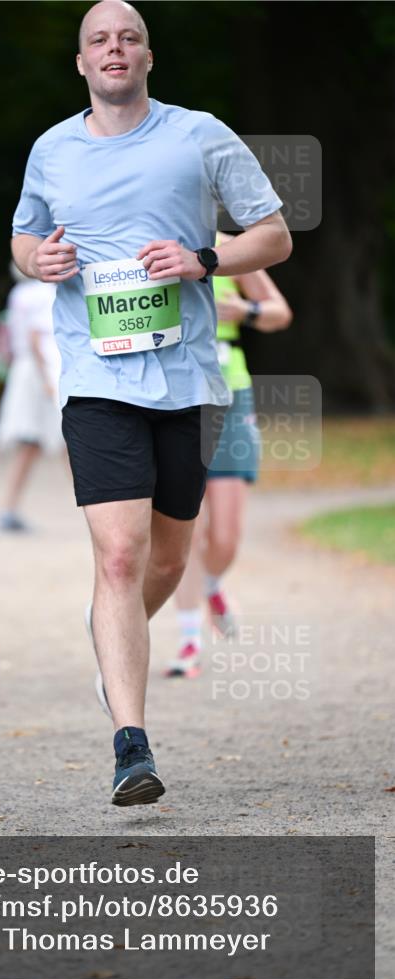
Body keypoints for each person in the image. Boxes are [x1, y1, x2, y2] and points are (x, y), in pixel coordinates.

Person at [11, 0, 292, 806]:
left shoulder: (198, 134)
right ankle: (130, 745)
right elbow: (24, 238)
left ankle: (113, 636)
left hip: (189, 381)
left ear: (146, 56)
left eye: (128, 37)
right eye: (98, 39)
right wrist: (38, 260)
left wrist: (203, 258)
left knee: (167, 561)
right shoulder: (51, 149)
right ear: (81, 62)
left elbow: (273, 236)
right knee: (119, 556)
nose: (113, 48)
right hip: (97, 382)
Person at [169, 241, 293, 677]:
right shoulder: (150, 240)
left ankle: (211, 584)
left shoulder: (228, 248)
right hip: (175, 394)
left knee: (225, 535)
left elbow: (279, 311)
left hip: (231, 394)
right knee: (187, 529)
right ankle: (189, 639)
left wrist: (246, 311)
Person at [0, 266, 64, 532]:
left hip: (24, 369)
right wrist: (48, 380)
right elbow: (37, 337)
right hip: (43, 370)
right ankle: (95, 507)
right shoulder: (47, 292)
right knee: (67, 441)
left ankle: (8, 507)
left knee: (32, 443)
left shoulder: (19, 293)